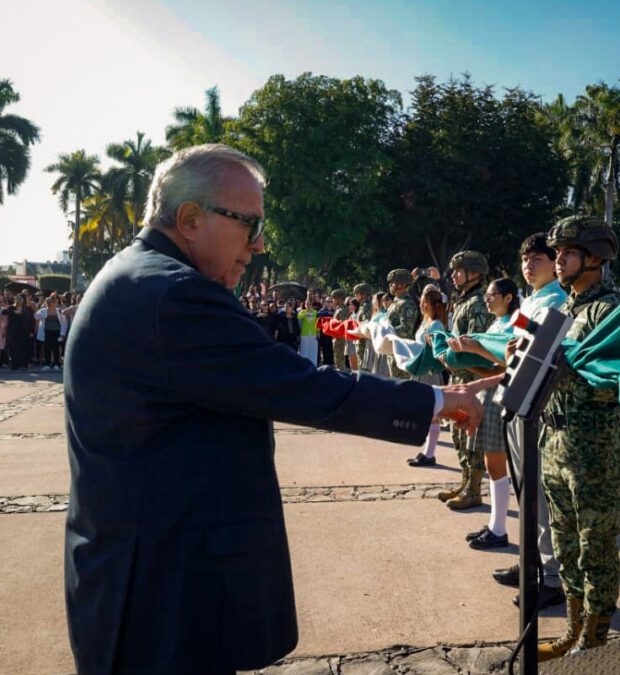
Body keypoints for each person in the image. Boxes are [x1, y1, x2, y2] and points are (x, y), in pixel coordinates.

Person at [62, 144, 482, 675]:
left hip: (153, 565)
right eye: (249, 224)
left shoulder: (141, 277)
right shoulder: (174, 295)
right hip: (159, 588)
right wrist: (439, 400)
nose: (257, 246)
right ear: (191, 219)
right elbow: (297, 385)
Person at [531, 217, 620, 661]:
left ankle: (596, 637)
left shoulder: (611, 311)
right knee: (565, 541)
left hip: (593, 446)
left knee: (595, 543)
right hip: (555, 439)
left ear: (594, 258)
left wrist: (565, 366)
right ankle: (573, 628)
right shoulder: (565, 308)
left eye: (568, 252)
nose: (560, 259)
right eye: (559, 252)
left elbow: (616, 378)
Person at [484, 232, 568, 608]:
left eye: (537, 258)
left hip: (539, 408)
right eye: (525, 259)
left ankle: (550, 577)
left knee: (538, 494)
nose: (529, 265)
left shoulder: (558, 300)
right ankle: (529, 561)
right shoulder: (532, 301)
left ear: (554, 261)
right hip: (518, 400)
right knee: (524, 491)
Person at [448, 277, 519, 546]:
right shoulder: (497, 324)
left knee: (498, 463)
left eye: (493, 295)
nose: (487, 300)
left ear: (509, 298)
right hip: (491, 392)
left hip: (505, 394)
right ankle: (496, 525)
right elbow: (492, 367)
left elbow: (509, 364)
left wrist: (475, 349)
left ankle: (499, 529)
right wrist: (465, 360)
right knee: (491, 462)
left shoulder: (518, 322)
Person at [436, 251, 493, 510]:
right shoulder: (463, 301)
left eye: (460, 270)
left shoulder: (479, 303)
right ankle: (465, 480)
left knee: (472, 436)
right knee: (458, 434)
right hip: (460, 375)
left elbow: (476, 343)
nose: (454, 274)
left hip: (474, 379)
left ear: (475, 272)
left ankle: (474, 489)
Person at [406, 286, 450, 467]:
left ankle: (429, 453)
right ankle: (427, 451)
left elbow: (437, 351)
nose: (421, 306)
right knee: (428, 412)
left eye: (424, 303)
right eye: (421, 302)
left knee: (432, 413)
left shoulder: (436, 325)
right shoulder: (427, 322)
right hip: (421, 371)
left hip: (429, 373)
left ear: (434, 305)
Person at [385, 269, 418, 379]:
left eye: (393, 282)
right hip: (393, 351)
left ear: (402, 284)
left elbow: (406, 330)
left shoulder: (406, 304)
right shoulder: (396, 302)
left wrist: (386, 332)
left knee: (402, 388)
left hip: (402, 353)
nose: (391, 285)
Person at [35, 296, 68, 371]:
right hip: (46, 332)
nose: (49, 303)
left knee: (56, 348)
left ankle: (56, 364)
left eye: (51, 302)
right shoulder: (43, 311)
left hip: (57, 332)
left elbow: (64, 323)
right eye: (48, 302)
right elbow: (36, 316)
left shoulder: (59, 311)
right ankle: (47, 364)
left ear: (54, 303)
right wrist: (45, 313)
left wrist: (63, 333)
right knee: (47, 348)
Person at [3, 295, 35, 370]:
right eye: (17, 298)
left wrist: (32, 331)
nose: (19, 300)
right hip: (13, 331)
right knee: (14, 348)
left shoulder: (28, 308)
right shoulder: (11, 308)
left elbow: (31, 320)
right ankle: (15, 365)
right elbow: (4, 312)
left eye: (21, 298)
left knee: (24, 348)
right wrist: (14, 312)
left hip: (25, 331)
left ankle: (23, 364)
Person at [352, 283, 375, 371]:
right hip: (360, 340)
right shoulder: (363, 306)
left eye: (357, 294)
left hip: (364, 341)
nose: (355, 296)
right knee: (361, 365)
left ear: (364, 294)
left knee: (364, 367)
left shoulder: (367, 306)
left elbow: (365, 324)